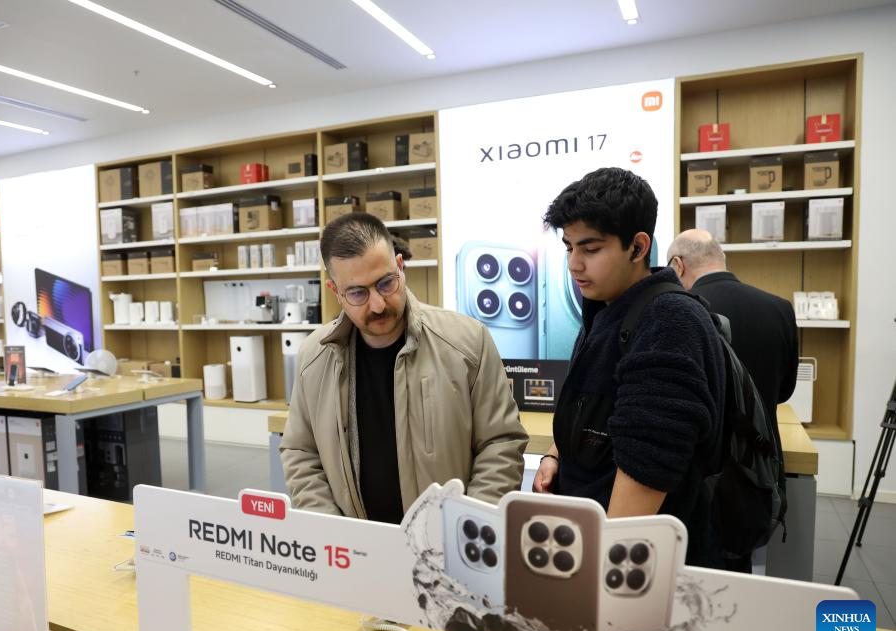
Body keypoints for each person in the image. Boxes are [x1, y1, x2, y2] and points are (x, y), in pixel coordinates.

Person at [531, 168, 726, 567]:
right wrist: (555, 455)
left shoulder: (669, 322)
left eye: (590, 249)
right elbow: (593, 408)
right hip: (585, 537)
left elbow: (647, 469)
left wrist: (598, 567)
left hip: (636, 565)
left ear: (637, 247)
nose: (574, 264)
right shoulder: (606, 310)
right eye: (569, 248)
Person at [280, 212, 527, 522]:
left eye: (386, 283)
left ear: (400, 266)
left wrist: (467, 528)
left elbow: (501, 444)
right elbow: (301, 453)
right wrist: (333, 529)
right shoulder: (314, 357)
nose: (378, 304)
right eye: (357, 293)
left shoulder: (468, 342)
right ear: (336, 292)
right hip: (352, 545)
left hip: (449, 541)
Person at [667, 228, 798, 571]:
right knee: (740, 573)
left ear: (678, 265)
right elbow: (784, 392)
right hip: (757, 473)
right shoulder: (780, 308)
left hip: (699, 480)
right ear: (721, 259)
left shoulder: (678, 315)